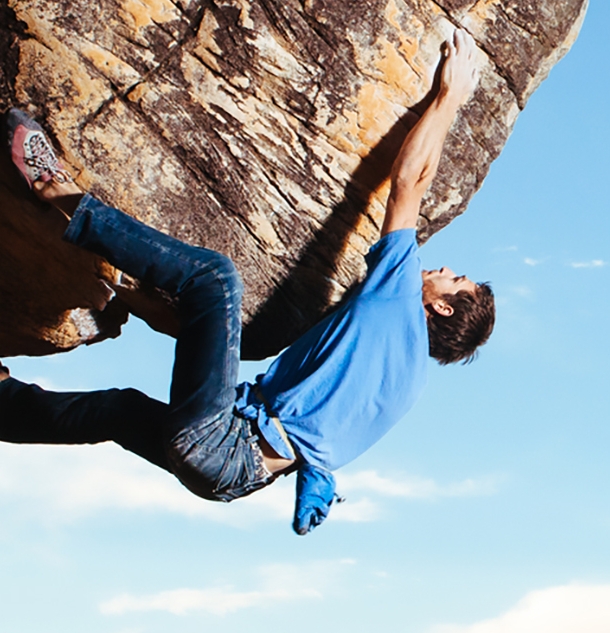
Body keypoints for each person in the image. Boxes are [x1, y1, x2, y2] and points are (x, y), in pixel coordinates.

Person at [0, 29, 495, 534]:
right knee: (119, 411)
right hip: (234, 479)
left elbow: (410, 182)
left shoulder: (397, 304)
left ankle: (55, 193)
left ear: (442, 309)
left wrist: (449, 95)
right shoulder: (406, 379)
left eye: (453, 279)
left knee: (214, 280)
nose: (439, 270)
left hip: (222, 442)